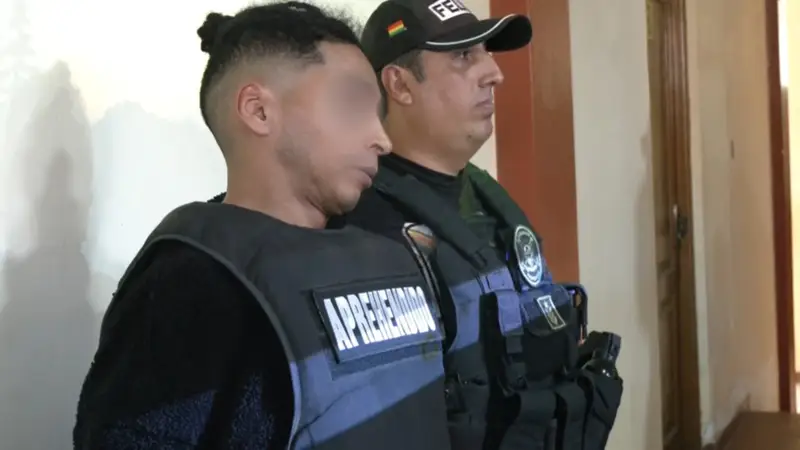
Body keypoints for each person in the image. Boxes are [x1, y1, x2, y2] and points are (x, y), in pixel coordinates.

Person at [73, 2, 453, 449]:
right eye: (353, 106)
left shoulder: (389, 249)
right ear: (258, 111)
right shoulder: (191, 284)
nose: (382, 139)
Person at [329, 0, 625, 449]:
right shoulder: (362, 225)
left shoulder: (488, 197)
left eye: (485, 51)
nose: (494, 73)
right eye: (464, 56)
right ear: (400, 84)